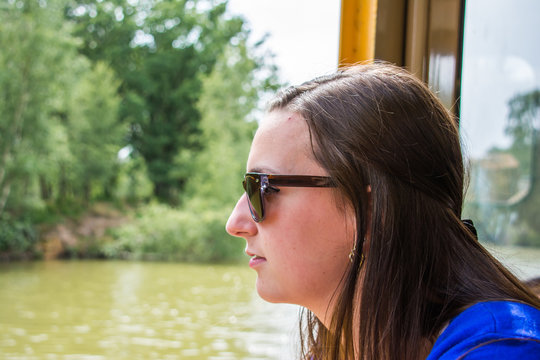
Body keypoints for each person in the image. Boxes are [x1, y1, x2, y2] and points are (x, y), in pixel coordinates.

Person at [226, 63, 540, 359]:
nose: (236, 223)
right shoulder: (345, 347)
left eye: (262, 187)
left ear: (371, 210)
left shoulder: (503, 349)